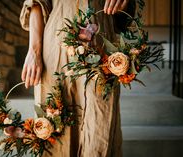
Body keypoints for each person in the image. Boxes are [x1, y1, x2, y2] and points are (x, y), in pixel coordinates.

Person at [20, 0, 135, 156]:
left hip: (102, 48)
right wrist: (34, 50)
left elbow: (125, 16)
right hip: (57, 48)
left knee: (99, 126)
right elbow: (35, 3)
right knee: (56, 124)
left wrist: (124, 4)